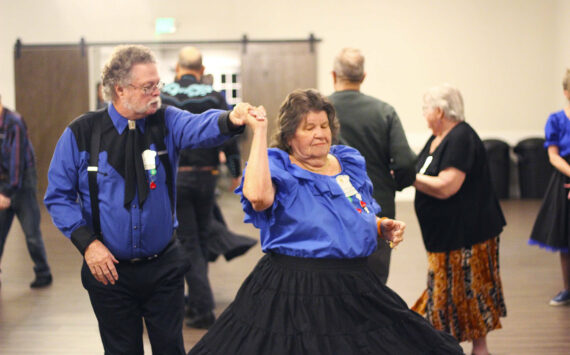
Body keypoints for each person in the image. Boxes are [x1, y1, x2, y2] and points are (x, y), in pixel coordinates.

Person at [189, 89, 463, 355]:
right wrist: (259, 132)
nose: (320, 133)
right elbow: (258, 198)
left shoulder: (347, 163)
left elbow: (358, 209)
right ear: (289, 135)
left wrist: (379, 226)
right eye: (309, 127)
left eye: (324, 125)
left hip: (353, 285)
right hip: (293, 289)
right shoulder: (278, 166)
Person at [44, 44, 258, 354]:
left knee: (170, 348)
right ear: (120, 89)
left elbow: (200, 127)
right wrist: (88, 245)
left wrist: (231, 119)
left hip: (164, 267)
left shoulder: (167, 121)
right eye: (148, 87)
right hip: (109, 272)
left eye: (157, 84)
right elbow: (58, 197)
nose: (156, 92)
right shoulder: (81, 133)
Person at [161, 46, 256, 329]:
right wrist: (237, 172)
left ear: (178, 69)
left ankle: (201, 307)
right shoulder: (215, 95)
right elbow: (230, 134)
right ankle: (195, 300)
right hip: (207, 177)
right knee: (200, 241)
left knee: (186, 242)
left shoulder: (165, 95)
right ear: (201, 71)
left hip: (175, 178)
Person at [411, 84, 507, 355]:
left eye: (425, 109)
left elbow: (447, 186)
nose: (424, 115)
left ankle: (470, 349)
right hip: (444, 238)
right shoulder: (436, 139)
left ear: (439, 111)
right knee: (449, 300)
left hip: (466, 238)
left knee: (467, 299)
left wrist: (408, 177)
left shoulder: (462, 137)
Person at [329, 48, 416, 284]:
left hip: (332, 207)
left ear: (333, 75)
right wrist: (394, 186)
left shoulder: (321, 112)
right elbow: (406, 162)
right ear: (363, 77)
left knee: (336, 285)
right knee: (375, 285)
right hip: (378, 207)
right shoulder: (385, 112)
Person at [0, 94, 52, 288]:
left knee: (31, 233)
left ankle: (43, 272)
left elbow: (16, 162)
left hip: (22, 183)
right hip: (3, 184)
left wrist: (6, 193)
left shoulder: (14, 123)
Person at [528, 69, 570, 306]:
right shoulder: (556, 119)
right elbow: (554, 156)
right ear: (566, 92)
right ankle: (568, 288)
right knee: (565, 239)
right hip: (564, 179)